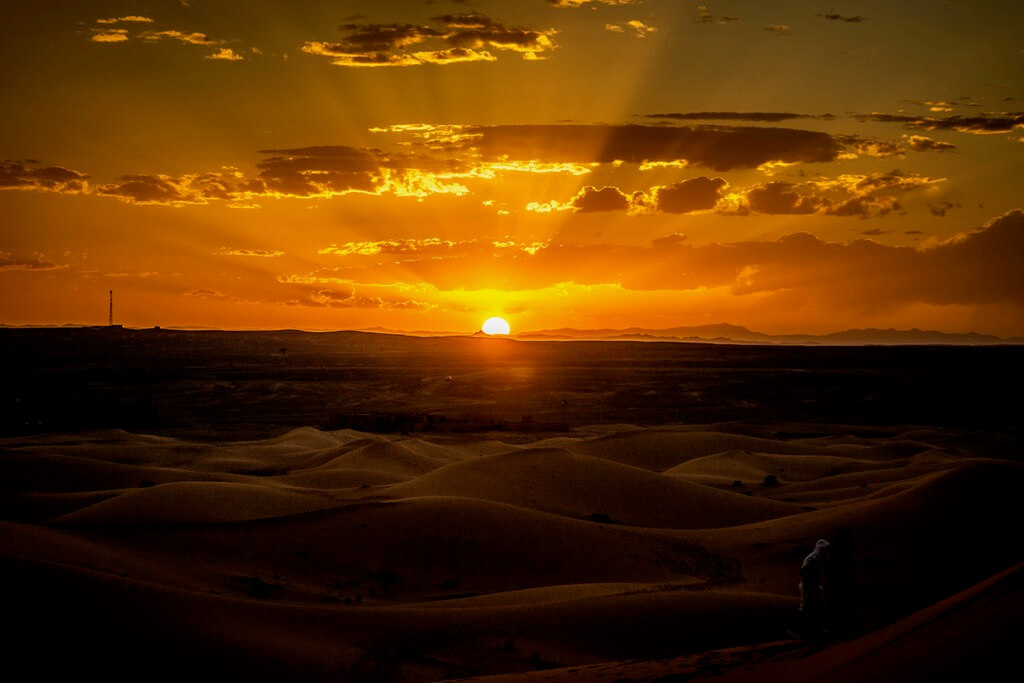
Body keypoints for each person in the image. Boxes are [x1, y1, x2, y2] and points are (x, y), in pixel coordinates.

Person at [790, 538, 830, 638]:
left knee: (819, 606)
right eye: (825, 549)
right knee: (804, 608)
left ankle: (818, 627)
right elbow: (803, 572)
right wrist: (810, 587)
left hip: (814, 586)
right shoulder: (812, 558)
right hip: (807, 587)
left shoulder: (820, 557)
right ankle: (792, 630)